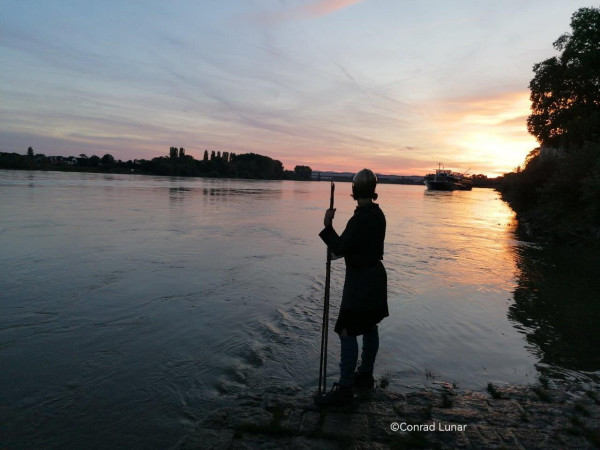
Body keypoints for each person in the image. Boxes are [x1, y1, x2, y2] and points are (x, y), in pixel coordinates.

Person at [316, 168, 388, 406]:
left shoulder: (359, 220)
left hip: (361, 280)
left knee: (346, 330)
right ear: (373, 191)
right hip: (376, 276)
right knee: (369, 325)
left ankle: (345, 388)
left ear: (355, 191)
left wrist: (327, 226)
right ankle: (365, 375)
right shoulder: (378, 214)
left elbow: (339, 248)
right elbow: (356, 246)